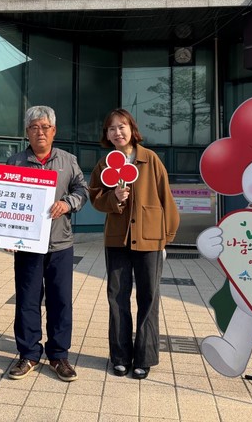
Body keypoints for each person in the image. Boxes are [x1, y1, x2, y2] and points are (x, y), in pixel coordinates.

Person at [88, 108, 180, 380]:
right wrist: (114, 198)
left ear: (132, 129)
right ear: (106, 135)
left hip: (150, 238)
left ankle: (144, 357)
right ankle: (119, 356)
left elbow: (166, 197)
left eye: (122, 126)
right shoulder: (104, 164)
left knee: (148, 297)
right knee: (117, 297)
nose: (117, 132)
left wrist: (167, 237)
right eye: (111, 128)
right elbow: (95, 197)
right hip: (117, 239)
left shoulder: (149, 159)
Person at [5, 106, 88, 382]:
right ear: (26, 132)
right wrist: (5, 235)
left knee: (60, 301)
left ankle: (58, 355)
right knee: (27, 301)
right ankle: (28, 354)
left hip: (60, 243)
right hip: (27, 245)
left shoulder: (68, 160)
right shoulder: (15, 162)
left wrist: (68, 203)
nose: (39, 132)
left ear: (54, 131)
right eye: (34, 127)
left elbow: (82, 190)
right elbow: (4, 199)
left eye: (45, 127)